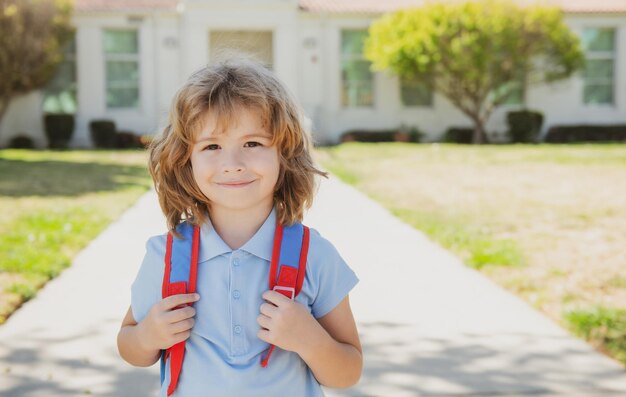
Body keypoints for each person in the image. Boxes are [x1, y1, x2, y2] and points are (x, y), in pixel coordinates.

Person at [117, 56, 362, 396]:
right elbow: (128, 343)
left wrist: (311, 340)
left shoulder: (314, 255)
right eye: (212, 146)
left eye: (252, 143)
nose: (232, 164)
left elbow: (348, 371)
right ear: (186, 161)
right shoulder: (166, 255)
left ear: (284, 154)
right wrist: (147, 336)